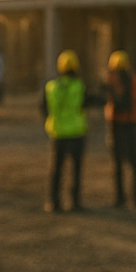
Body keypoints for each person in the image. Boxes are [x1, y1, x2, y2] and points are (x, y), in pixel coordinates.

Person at [41, 49, 90, 212]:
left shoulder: (51, 87)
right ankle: (75, 202)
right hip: (76, 133)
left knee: (56, 170)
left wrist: (50, 121)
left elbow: (43, 108)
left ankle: (53, 202)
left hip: (57, 134)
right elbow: (85, 103)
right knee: (75, 171)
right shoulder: (79, 86)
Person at [103, 49, 136, 208]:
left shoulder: (112, 81)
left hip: (116, 125)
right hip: (132, 125)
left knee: (118, 164)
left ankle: (119, 199)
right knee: (134, 164)